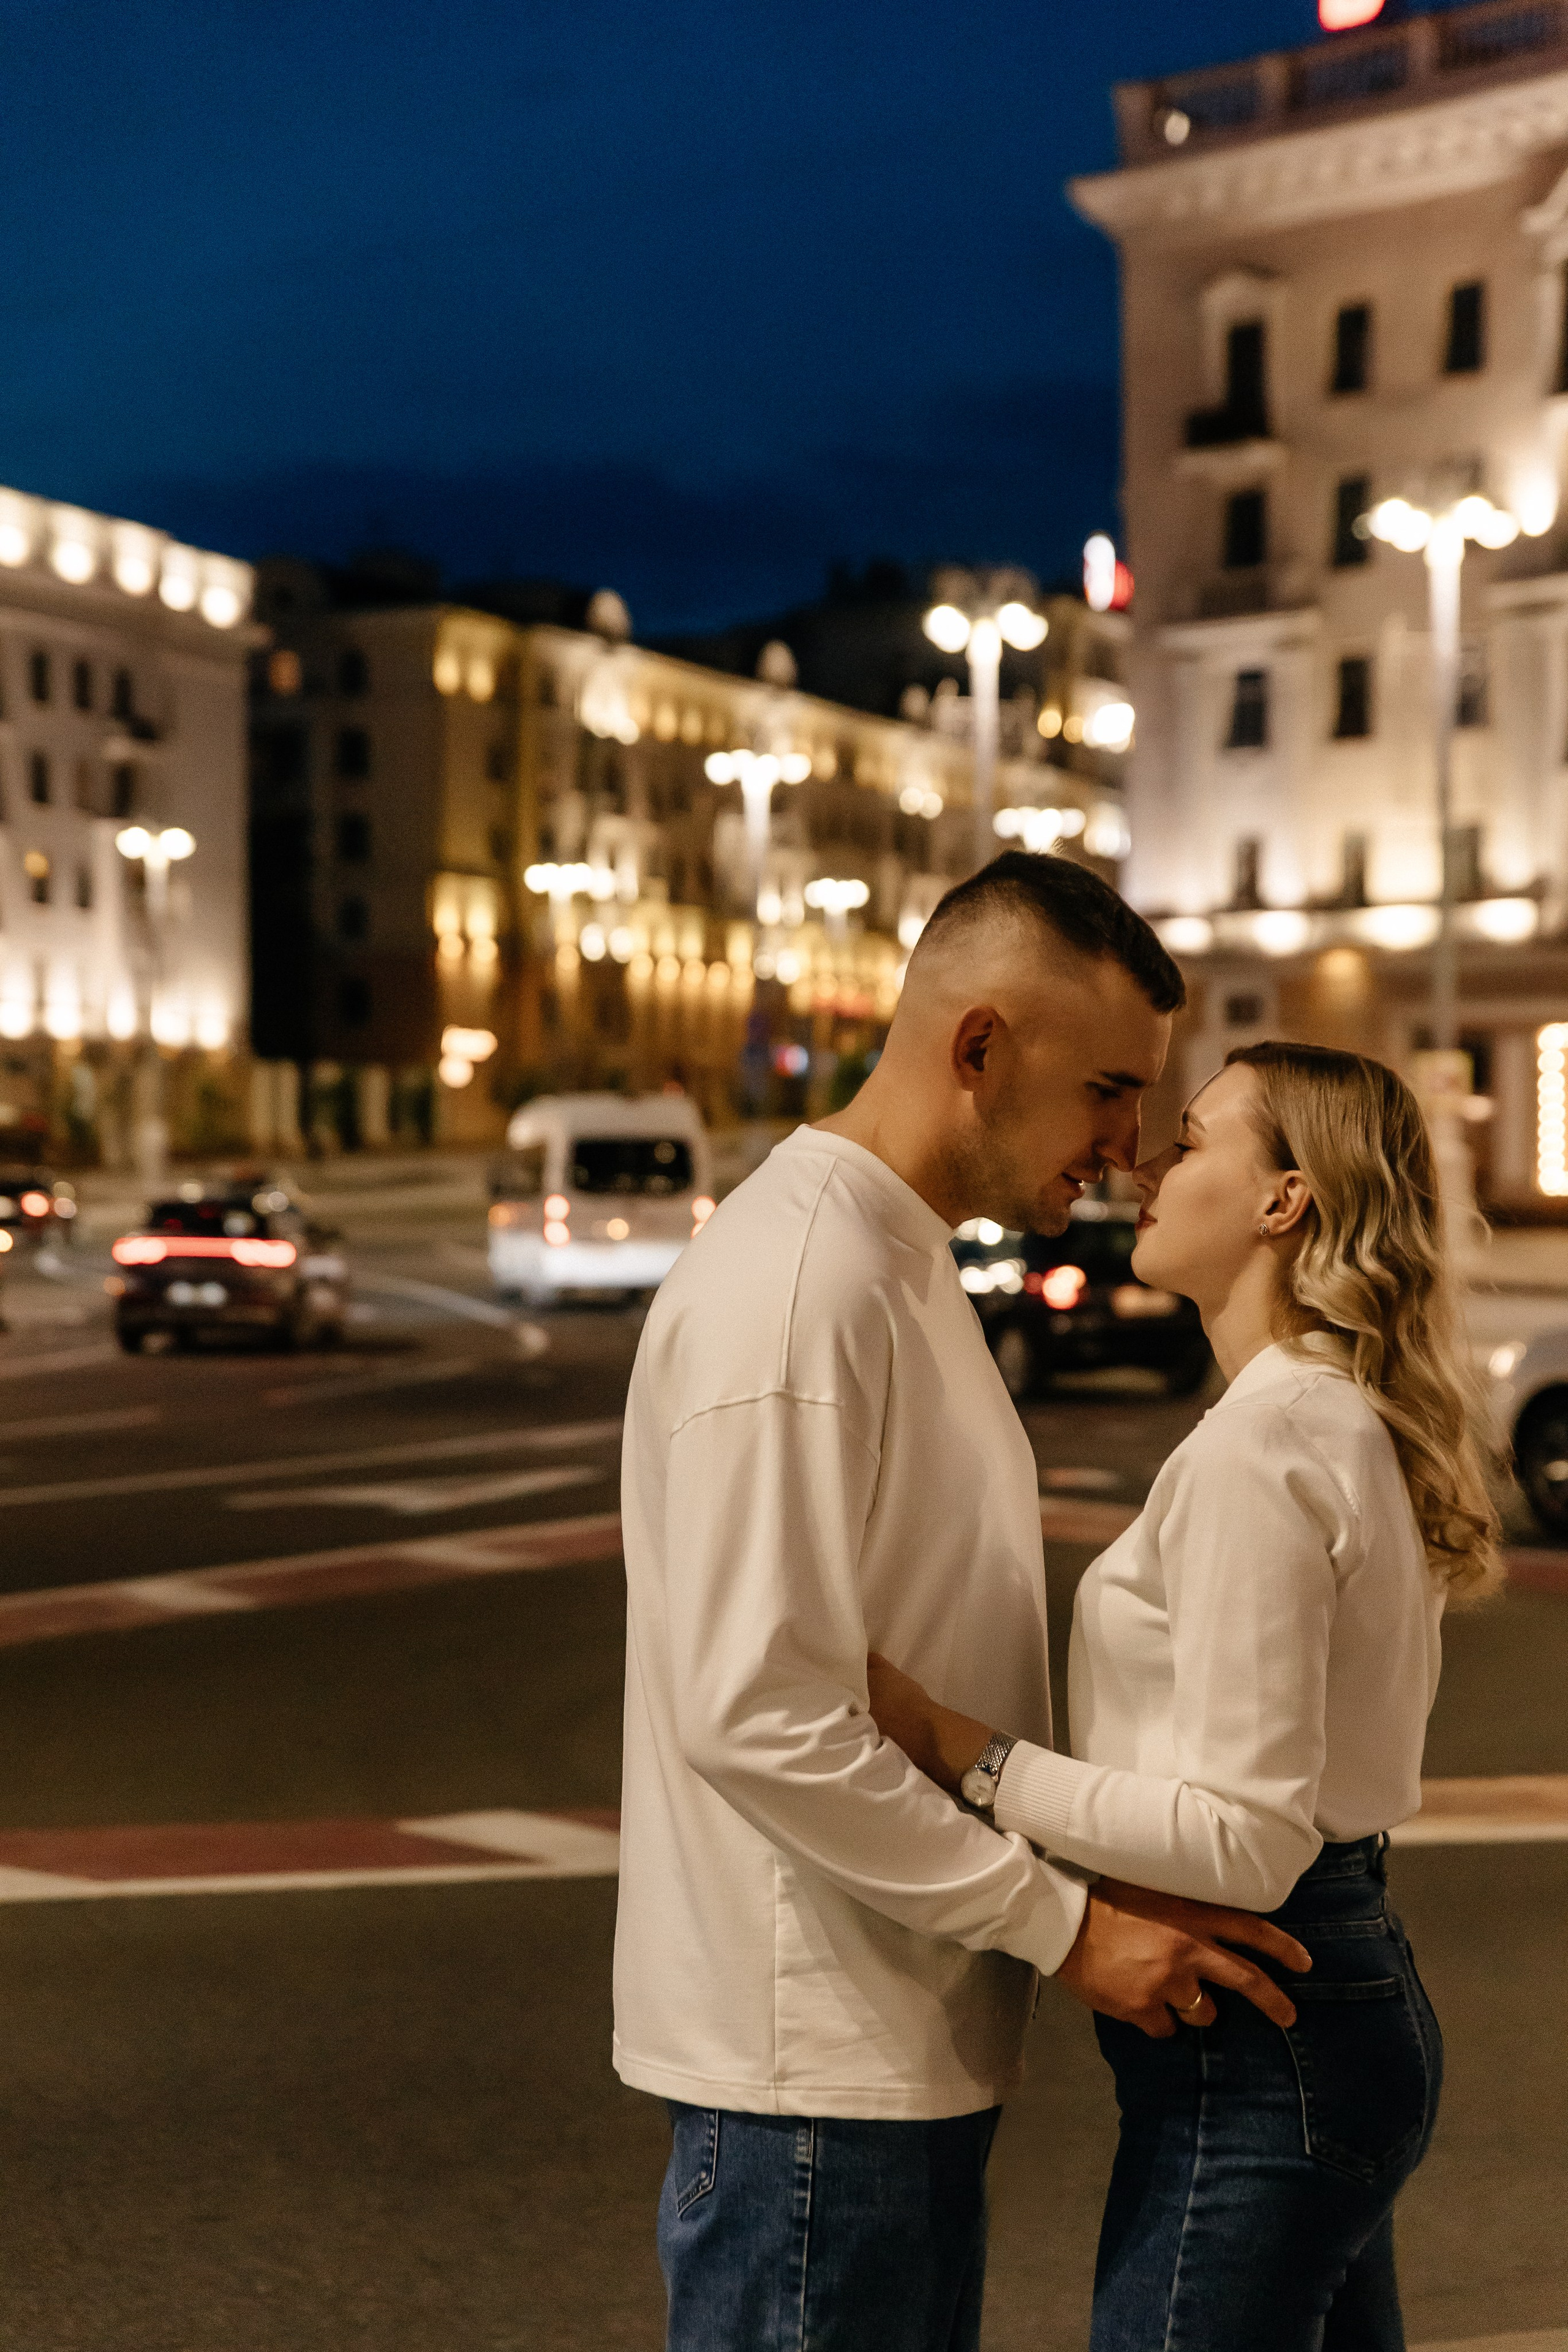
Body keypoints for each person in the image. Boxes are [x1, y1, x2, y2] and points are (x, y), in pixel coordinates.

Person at [614, 854, 1311, 2352]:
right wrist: (1060, 1926)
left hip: (880, 2050)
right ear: (979, 1048)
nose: (1127, 1144)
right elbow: (759, 1714)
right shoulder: (801, 1284)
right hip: (811, 2081)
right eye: (1109, 1091)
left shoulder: (893, 1260)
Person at [869, 1039, 1500, 2351]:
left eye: (1195, 1139)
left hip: (1267, 2046)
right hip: (1318, 2009)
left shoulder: (1264, 1448)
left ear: (1284, 1199)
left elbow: (1246, 1839)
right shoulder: (1333, 1418)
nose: (1146, 1167)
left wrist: (962, 1753)